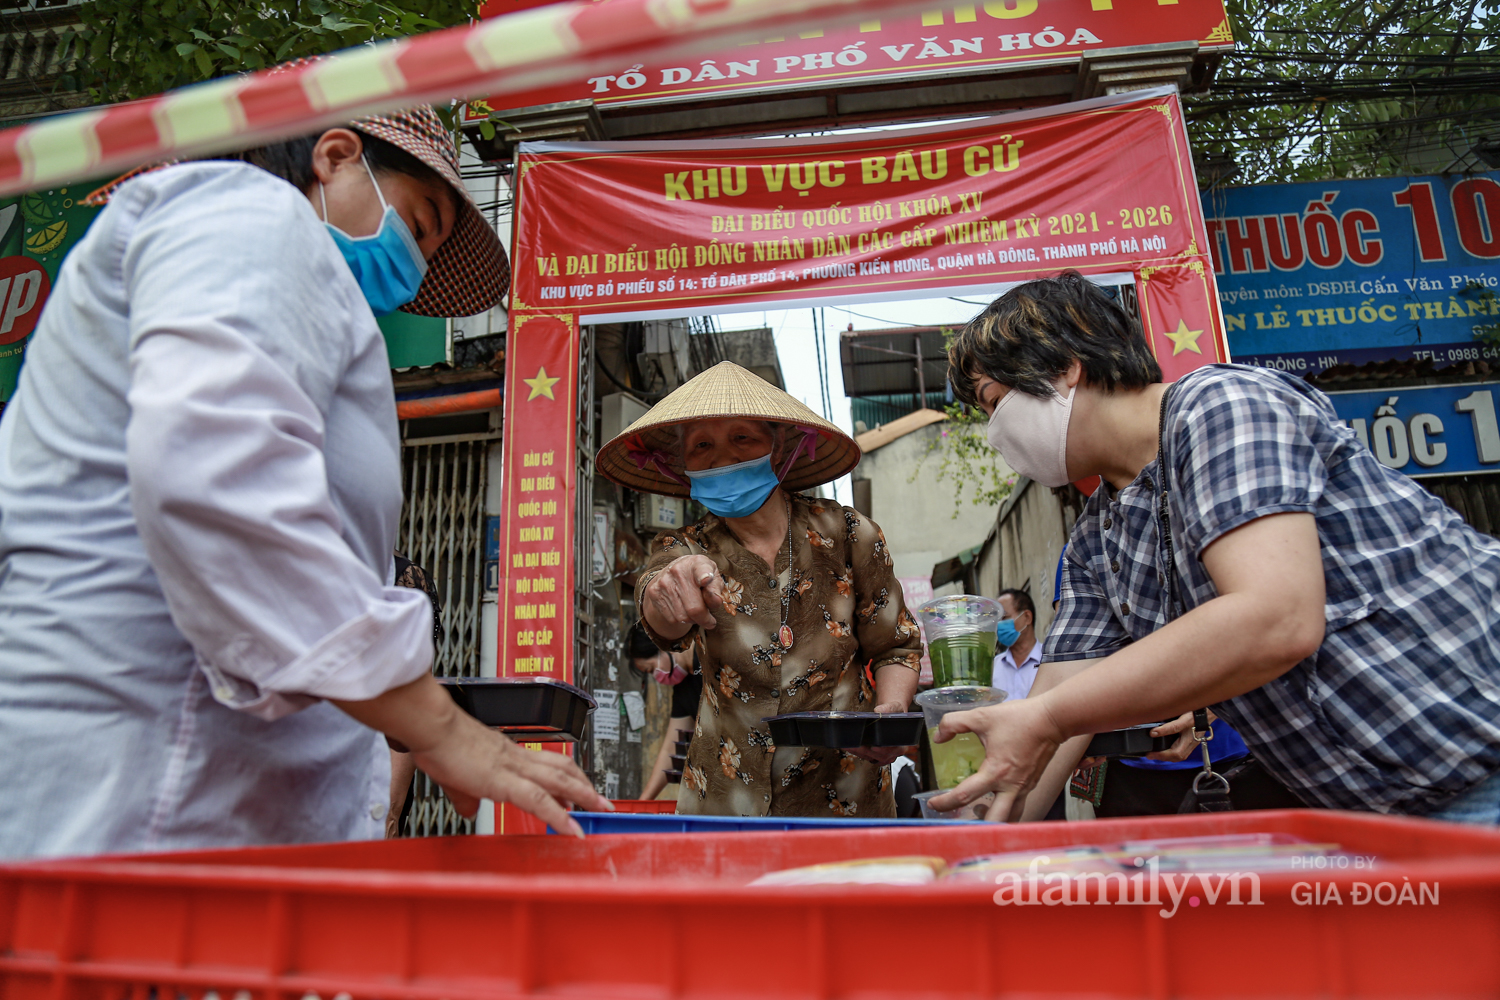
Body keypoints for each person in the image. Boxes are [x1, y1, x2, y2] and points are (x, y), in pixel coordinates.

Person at [0, 106, 608, 859]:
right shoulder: (252, 212)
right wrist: (441, 727)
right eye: (419, 225)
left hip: (205, 803)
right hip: (146, 789)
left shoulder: (270, 260)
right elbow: (215, 480)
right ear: (335, 156)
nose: (413, 262)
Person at [932, 271, 1500, 824]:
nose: (994, 432)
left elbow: (1275, 618)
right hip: (1392, 817)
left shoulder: (1219, 405)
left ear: (1064, 368)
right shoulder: (1094, 542)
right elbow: (1062, 703)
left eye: (992, 401)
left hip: (1482, 757)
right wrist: (973, 820)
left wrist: (1047, 717)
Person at [596, 361, 922, 818]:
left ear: (778, 445)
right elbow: (660, 605)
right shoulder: (683, 545)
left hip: (846, 792)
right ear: (685, 464)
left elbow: (896, 647)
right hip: (724, 798)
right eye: (702, 445)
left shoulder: (850, 533)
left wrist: (889, 710)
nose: (722, 456)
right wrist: (667, 588)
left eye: (742, 438)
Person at [641, 647, 702, 801]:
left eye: (651, 669)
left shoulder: (708, 656)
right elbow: (671, 749)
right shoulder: (683, 690)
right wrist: (643, 803)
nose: (656, 676)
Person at [992, 588, 1042, 703]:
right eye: (996, 620)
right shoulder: (993, 668)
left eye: (1004, 618)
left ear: (1027, 617)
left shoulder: (1050, 662)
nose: (999, 625)